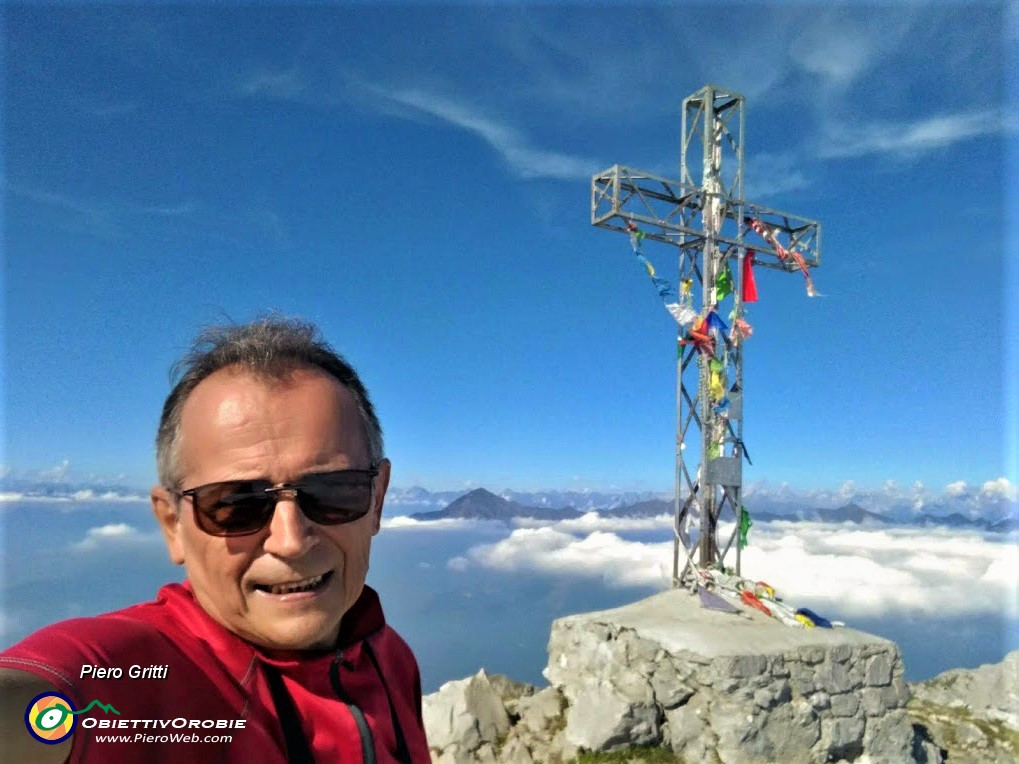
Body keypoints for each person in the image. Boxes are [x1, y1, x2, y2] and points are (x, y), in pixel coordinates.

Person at [0, 317, 431, 763]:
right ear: (173, 526)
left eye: (333, 491)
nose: (290, 540)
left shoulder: (392, 660)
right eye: (235, 504)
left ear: (377, 500)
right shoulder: (137, 678)